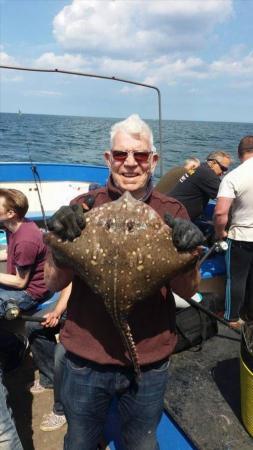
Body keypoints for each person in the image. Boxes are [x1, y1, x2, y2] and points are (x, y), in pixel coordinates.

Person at [44, 114, 204, 450]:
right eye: (120, 155)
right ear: (108, 158)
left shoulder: (172, 210)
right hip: (86, 357)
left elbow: (188, 291)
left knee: (142, 443)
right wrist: (59, 246)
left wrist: (188, 254)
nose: (130, 163)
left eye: (140, 155)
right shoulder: (82, 208)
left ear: (154, 162)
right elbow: (53, 283)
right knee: (80, 441)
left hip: (149, 359)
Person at [214, 136, 253, 329]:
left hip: (241, 237)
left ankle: (232, 317)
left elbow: (220, 212)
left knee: (236, 278)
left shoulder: (233, 177)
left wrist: (220, 232)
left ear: (240, 154)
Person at [0, 188, 52, 318]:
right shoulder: (12, 226)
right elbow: (10, 254)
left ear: (10, 213)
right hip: (18, 283)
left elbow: (20, 282)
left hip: (30, 293)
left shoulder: (25, 240)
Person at [27, 284, 71, 431]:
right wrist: (57, 312)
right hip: (76, 304)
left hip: (100, 316)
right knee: (32, 326)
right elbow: (71, 282)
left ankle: (61, 410)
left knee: (61, 353)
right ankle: (50, 378)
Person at [169, 151, 232, 221]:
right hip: (176, 217)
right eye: (223, 169)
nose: (224, 173)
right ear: (213, 163)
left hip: (172, 211)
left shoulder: (200, 168)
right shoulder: (207, 174)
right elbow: (226, 195)